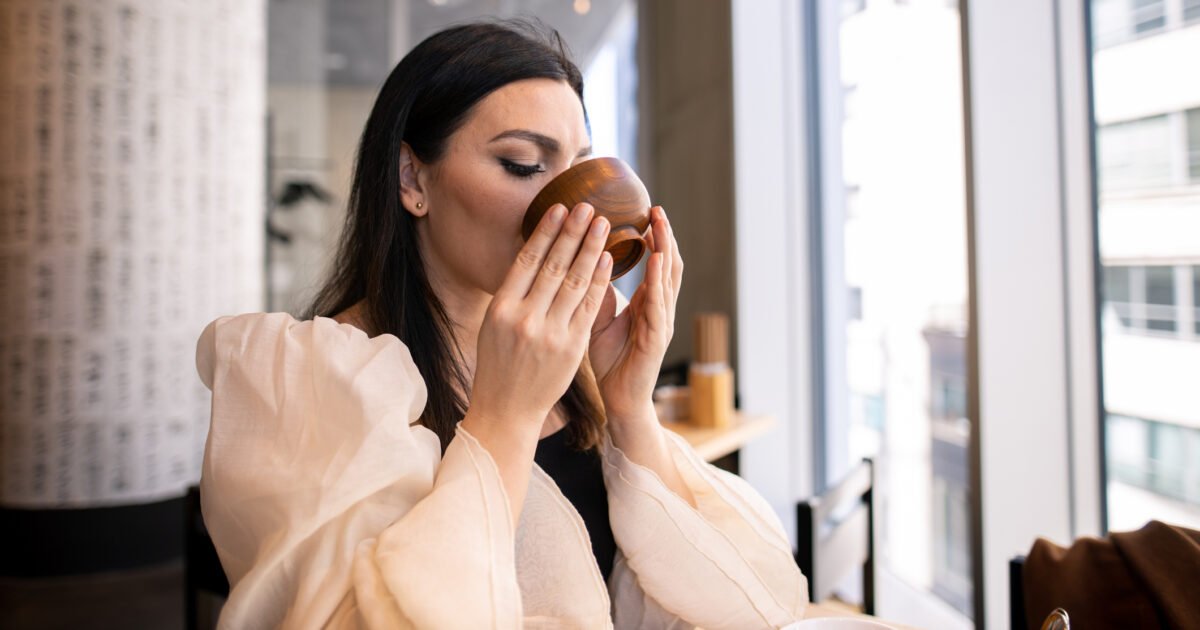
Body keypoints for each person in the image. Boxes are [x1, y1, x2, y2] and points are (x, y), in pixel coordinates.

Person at [196, 19, 807, 629]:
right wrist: (505, 419)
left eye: (582, 168)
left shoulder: (568, 359)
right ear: (413, 179)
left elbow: (745, 596)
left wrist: (628, 409)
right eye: (523, 165)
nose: (572, 206)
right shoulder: (314, 375)